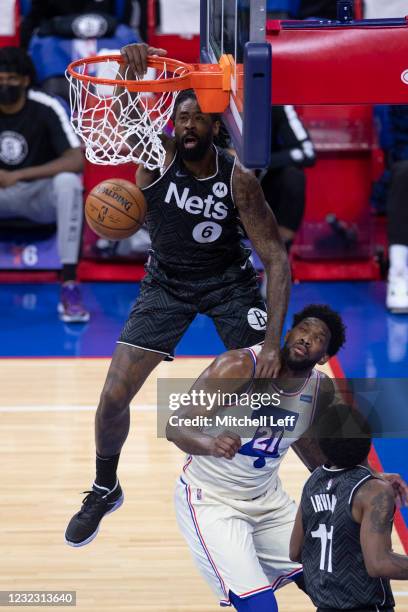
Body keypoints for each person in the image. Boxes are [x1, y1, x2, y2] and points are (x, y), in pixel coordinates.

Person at [64, 43, 291, 546]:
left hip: (229, 284)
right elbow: (127, 117)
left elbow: (276, 258)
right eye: (181, 117)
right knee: (113, 396)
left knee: (285, 385)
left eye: (197, 119)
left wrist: (272, 342)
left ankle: (336, 478)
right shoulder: (157, 153)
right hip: (166, 283)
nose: (187, 125)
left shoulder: (239, 178)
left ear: (215, 126)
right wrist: (130, 70)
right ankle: (104, 487)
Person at [166, 304, 344, 610]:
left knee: (337, 585)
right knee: (261, 607)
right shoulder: (236, 365)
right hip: (212, 500)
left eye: (317, 337)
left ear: (325, 357)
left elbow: (312, 448)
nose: (306, 338)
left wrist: (368, 480)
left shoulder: (319, 388)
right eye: (303, 329)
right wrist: (210, 443)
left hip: (269, 501)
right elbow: (176, 425)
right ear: (287, 335)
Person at [290, 403, 408, 612]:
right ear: (368, 442)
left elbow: (295, 551)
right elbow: (379, 563)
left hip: (325, 606)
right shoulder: (374, 491)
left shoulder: (314, 481)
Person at [0, 46, 88, 323]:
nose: (5, 84)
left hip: (37, 195)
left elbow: (76, 159)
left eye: (11, 78)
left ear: (25, 80)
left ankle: (69, 285)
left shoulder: (46, 105)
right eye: (0, 79)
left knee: (68, 183)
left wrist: (21, 175)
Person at [260, 105, 316, 253]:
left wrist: (253, 161)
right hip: (219, 187)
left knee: (293, 176)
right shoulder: (211, 102)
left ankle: (280, 253)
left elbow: (308, 153)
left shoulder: (275, 104)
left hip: (262, 187)